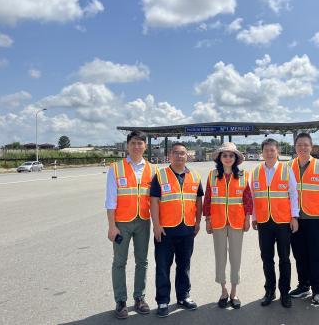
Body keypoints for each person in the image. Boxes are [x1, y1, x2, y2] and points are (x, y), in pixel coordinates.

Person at [149, 142, 204, 317]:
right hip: (165, 231)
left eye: (183, 153)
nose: (179, 156)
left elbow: (198, 201)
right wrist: (156, 225)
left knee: (184, 266)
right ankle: (163, 300)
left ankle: (183, 296)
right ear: (169, 156)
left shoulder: (194, 176)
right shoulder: (160, 175)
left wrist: (197, 222)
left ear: (187, 156)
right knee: (163, 267)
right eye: (176, 153)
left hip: (187, 230)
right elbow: (154, 201)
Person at [105, 130, 154, 319]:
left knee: (142, 261)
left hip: (143, 221)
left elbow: (156, 199)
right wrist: (112, 226)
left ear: (145, 146)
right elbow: (110, 200)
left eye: (140, 143)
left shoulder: (152, 169)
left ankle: (139, 298)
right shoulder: (115, 168)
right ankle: (120, 301)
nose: (136, 146)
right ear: (127, 145)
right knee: (119, 262)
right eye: (133, 143)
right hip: (121, 223)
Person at [203, 142, 252, 309]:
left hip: (237, 221)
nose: (228, 158)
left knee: (235, 257)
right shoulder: (212, 175)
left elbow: (247, 199)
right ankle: (223, 290)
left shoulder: (244, 175)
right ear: (220, 158)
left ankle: (234, 291)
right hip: (217, 221)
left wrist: (247, 218)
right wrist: (207, 220)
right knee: (220, 257)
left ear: (236, 158)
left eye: (231, 155)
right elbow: (208, 199)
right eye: (225, 155)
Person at [251, 138, 299, 308]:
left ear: (277, 152)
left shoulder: (287, 170)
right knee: (266, 258)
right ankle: (269, 291)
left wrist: (294, 217)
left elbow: (293, 194)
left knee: (284, 258)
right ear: (262, 153)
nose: (269, 153)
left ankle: (285, 292)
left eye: (272, 150)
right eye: (266, 150)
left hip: (283, 221)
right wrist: (254, 217)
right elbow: (254, 197)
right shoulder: (256, 171)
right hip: (264, 222)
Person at [288, 132, 319, 305]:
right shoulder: (288, 166)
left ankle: (317, 290)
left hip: (315, 219)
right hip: (296, 219)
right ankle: (303, 286)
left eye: (306, 145)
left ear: (311, 147)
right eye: (300, 145)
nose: (303, 148)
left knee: (315, 255)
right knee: (299, 255)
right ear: (295, 147)